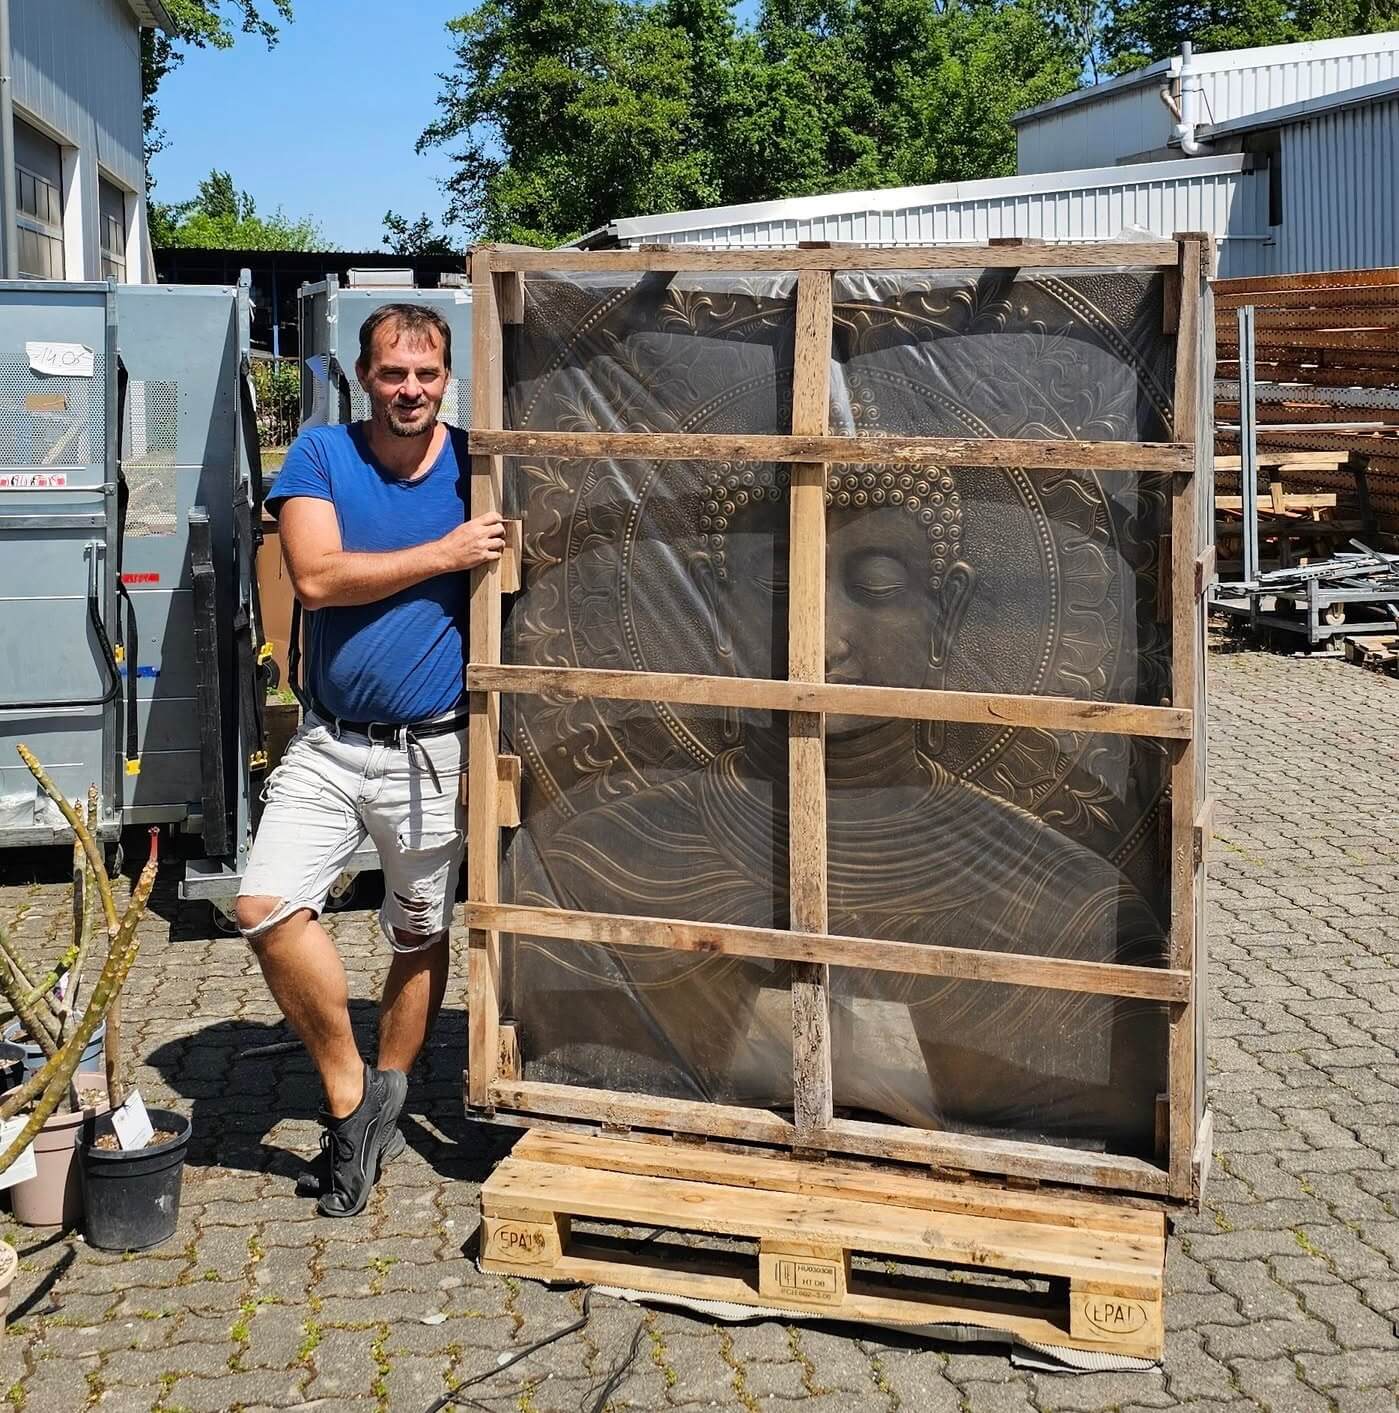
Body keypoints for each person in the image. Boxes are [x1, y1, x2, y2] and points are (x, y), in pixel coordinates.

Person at [511, 463, 1170, 1154]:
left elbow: (1087, 1096)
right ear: (716, 610)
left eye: (877, 586)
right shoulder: (598, 861)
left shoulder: (1067, 901)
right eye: (774, 586)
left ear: (944, 612)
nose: (820, 640)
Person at [235, 304, 505, 1217]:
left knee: (418, 934)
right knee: (264, 907)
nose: (410, 390)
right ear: (364, 376)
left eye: (426, 375)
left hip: (433, 749)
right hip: (330, 740)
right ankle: (354, 1097)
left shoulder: (480, 460)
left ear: (446, 380)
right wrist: (447, 552)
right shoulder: (321, 455)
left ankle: (390, 1087)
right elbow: (314, 576)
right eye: (393, 373)